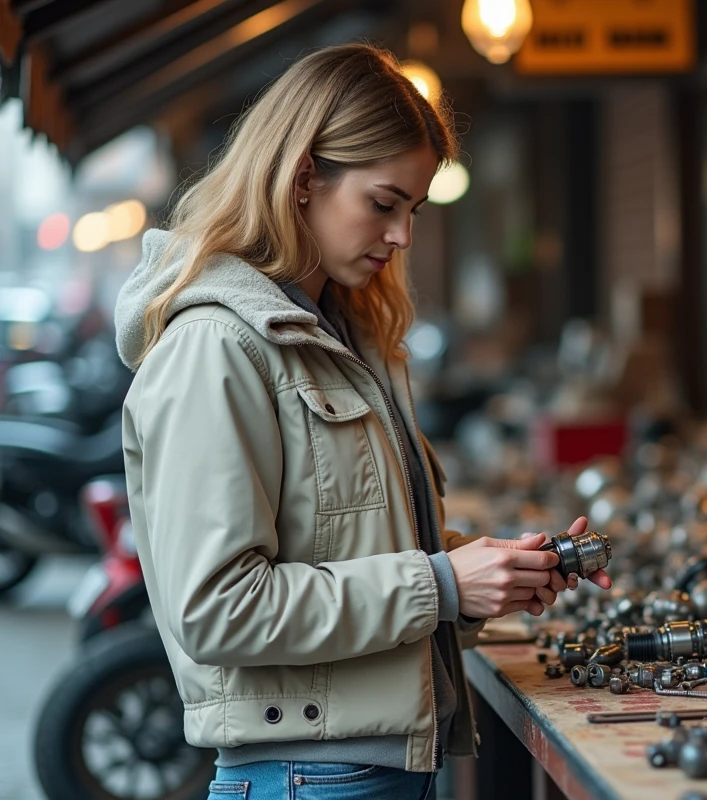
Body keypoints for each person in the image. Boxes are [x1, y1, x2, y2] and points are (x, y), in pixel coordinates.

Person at [114, 43, 611, 800]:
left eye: (412, 210)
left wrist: (491, 576)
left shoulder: (330, 332)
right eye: (384, 204)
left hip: (355, 771)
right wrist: (442, 583)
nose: (402, 237)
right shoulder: (216, 345)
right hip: (301, 776)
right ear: (303, 175)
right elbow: (217, 611)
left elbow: (350, 549)